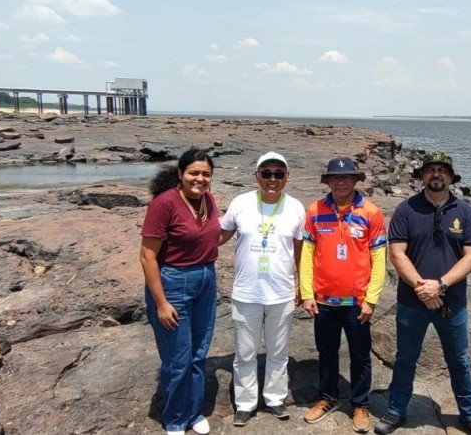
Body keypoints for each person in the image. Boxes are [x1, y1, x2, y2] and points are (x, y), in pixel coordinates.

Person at [375, 152, 471, 435]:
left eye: (442, 170)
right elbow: (397, 253)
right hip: (412, 301)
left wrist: (440, 286)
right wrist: (422, 288)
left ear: (451, 177)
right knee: (405, 357)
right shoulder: (406, 210)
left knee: (459, 359)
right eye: (430, 170)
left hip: (452, 302)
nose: (436, 174)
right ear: (422, 176)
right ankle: (396, 410)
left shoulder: (465, 212)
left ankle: (469, 413)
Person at [300, 157, 387, 434]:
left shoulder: (371, 212)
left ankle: (361, 404)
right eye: (335, 177)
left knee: (360, 355)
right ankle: (328, 397)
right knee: (326, 351)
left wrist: (371, 299)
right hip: (323, 300)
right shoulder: (314, 210)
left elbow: (379, 258)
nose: (341, 182)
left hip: (357, 303)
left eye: (347, 177)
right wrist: (306, 293)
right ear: (327, 181)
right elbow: (307, 254)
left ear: (356, 180)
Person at [219, 152, 305, 427]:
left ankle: (275, 399)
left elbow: (301, 250)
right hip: (246, 292)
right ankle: (245, 404)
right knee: (244, 352)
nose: (272, 179)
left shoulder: (296, 208)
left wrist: (303, 285)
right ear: (256, 175)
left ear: (287, 177)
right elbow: (218, 237)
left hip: (281, 293)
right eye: (266, 173)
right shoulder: (240, 203)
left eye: (279, 174)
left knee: (279, 351)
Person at [139, 148, 220, 435]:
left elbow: (212, 237)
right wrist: (161, 302)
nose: (200, 179)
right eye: (194, 173)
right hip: (173, 281)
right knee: (177, 357)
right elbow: (148, 256)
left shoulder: (208, 200)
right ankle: (174, 417)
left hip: (206, 278)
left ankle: (193, 411)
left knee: (199, 353)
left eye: (206, 174)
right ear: (180, 174)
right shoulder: (165, 203)